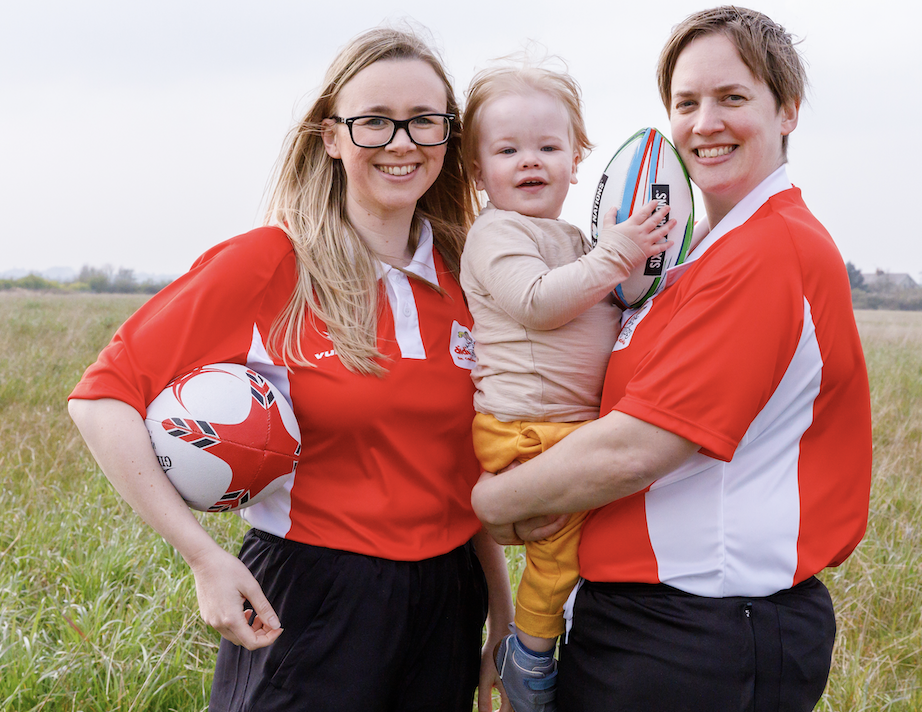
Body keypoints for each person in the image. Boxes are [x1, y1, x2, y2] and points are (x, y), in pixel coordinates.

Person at [67, 27, 514, 712]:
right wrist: (203, 557)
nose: (402, 143)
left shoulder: (470, 274)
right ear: (331, 135)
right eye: (374, 122)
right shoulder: (271, 262)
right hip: (312, 597)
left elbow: (465, 468)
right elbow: (102, 401)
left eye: (425, 121)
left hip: (448, 602)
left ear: (449, 136)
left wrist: (502, 617)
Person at [470, 7, 872, 711]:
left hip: (702, 634)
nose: (704, 123)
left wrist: (492, 501)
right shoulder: (696, 259)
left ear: (789, 112)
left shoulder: (766, 251)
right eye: (686, 103)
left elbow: (636, 449)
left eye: (733, 98)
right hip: (647, 624)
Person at [459, 64, 675, 712]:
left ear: (578, 161)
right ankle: (528, 654)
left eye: (548, 147)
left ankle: (567, 632)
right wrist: (615, 255)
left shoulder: (576, 238)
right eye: (508, 150)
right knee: (559, 550)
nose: (530, 162)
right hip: (527, 429)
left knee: (588, 538)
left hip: (566, 427)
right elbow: (535, 302)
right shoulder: (497, 233)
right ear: (478, 172)